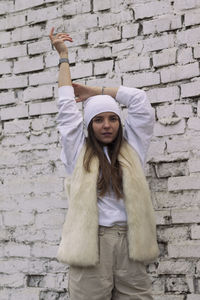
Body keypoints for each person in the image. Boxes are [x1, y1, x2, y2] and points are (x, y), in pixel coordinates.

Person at [49, 27, 159, 300]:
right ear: (89, 125)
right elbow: (65, 108)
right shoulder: (77, 151)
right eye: (98, 119)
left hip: (130, 243)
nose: (107, 125)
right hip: (91, 245)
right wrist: (64, 57)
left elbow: (139, 100)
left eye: (113, 118)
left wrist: (95, 91)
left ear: (120, 123)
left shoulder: (132, 147)